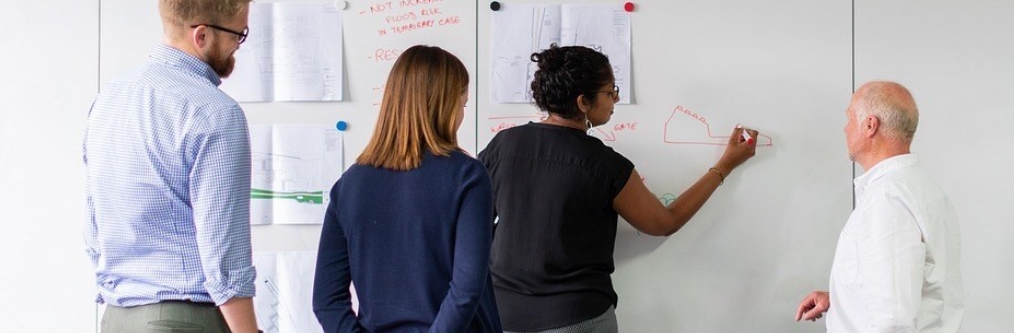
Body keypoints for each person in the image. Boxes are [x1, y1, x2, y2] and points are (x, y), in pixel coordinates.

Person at [480, 44, 759, 333]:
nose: (616, 99)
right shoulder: (604, 165)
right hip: (576, 318)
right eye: (610, 91)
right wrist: (724, 165)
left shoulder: (502, 147)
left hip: (502, 315)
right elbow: (665, 222)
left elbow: (477, 225)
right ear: (582, 102)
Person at [83, 0, 261, 333]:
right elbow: (225, 254)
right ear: (201, 35)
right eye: (237, 35)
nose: (237, 47)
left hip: (116, 319)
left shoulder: (109, 98)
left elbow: (94, 223)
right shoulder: (214, 112)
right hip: (184, 319)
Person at [313, 45, 502, 333]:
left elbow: (327, 301)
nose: (462, 115)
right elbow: (465, 289)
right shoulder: (467, 175)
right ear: (446, 104)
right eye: (462, 104)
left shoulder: (350, 184)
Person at [795, 81, 964, 332]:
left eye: (850, 118)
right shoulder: (919, 187)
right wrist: (841, 300)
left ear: (870, 125)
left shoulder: (888, 199)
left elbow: (894, 319)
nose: (845, 128)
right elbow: (908, 287)